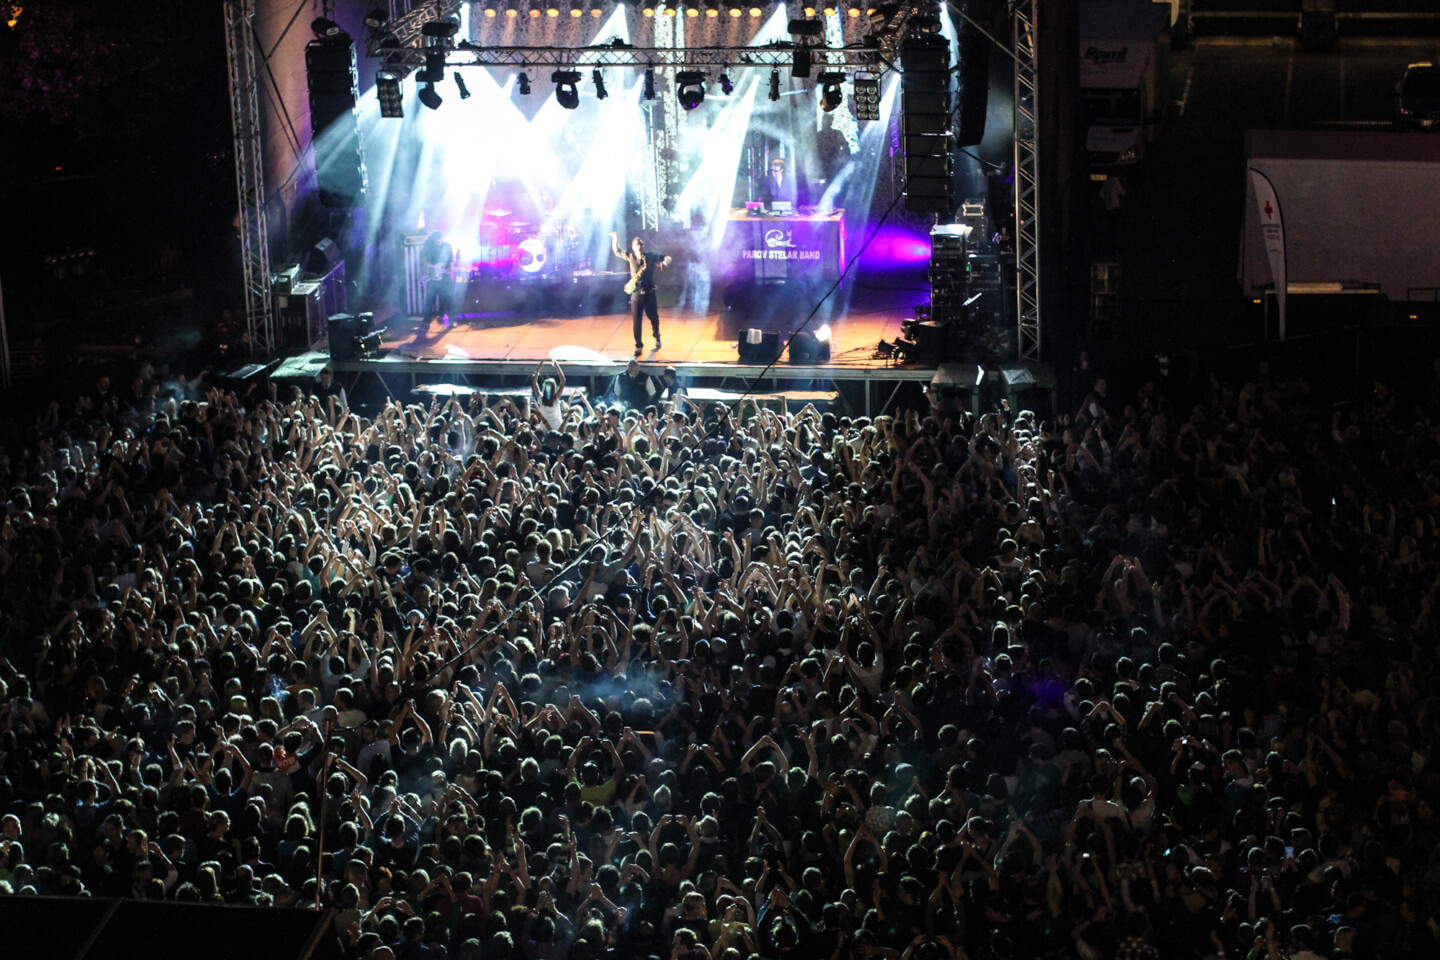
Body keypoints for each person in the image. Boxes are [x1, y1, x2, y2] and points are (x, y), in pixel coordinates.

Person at [611, 232, 671, 355]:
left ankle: (657, 336)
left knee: (654, 318)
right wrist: (615, 238)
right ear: (633, 247)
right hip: (636, 294)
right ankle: (638, 345)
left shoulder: (651, 256)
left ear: (644, 246)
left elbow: (668, 257)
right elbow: (616, 251)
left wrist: (664, 263)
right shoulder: (631, 257)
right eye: (636, 244)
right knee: (636, 321)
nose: (638, 246)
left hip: (649, 293)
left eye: (640, 244)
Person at [419, 229, 455, 322]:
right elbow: (423, 258)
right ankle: (426, 322)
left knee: (448, 298)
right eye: (435, 240)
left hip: (444, 276)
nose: (437, 242)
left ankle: (451, 320)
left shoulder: (447, 246)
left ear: (441, 238)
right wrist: (424, 271)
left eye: (439, 240)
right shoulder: (428, 245)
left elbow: (451, 259)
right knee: (429, 301)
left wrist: (450, 269)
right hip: (431, 278)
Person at [530, 359, 567, 433]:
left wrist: (538, 369)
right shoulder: (556, 399)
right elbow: (563, 381)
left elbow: (534, 383)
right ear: (554, 388)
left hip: (544, 428)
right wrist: (557, 367)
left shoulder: (540, 399)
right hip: (558, 427)